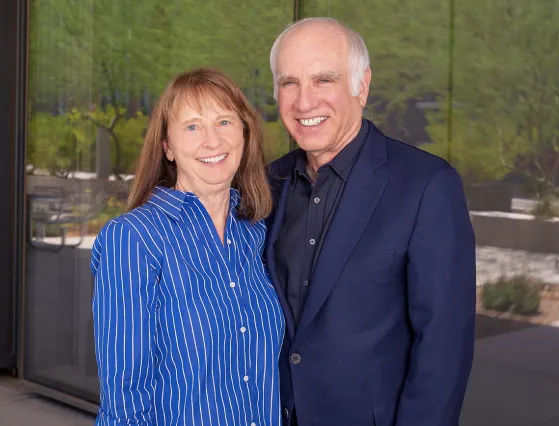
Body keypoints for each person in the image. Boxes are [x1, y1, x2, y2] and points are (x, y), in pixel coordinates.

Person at [265, 17, 476, 426]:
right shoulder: (268, 182)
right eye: (289, 82)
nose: (304, 102)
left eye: (323, 79)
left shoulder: (426, 185)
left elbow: (443, 345)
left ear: (361, 85)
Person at [90, 68, 285, 426]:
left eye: (224, 121)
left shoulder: (254, 233)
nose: (212, 141)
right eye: (192, 127)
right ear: (168, 146)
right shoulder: (134, 238)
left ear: (244, 133)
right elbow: (124, 399)